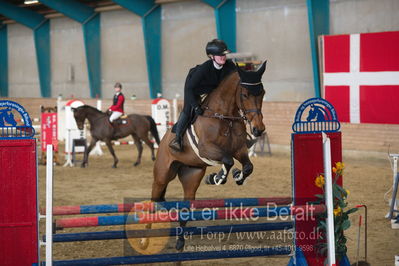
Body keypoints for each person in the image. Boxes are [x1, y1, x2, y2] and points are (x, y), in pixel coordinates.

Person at [169, 39, 237, 152]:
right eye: (220, 55)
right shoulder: (203, 69)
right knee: (188, 109)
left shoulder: (229, 65)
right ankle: (177, 139)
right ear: (211, 56)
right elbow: (190, 89)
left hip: (213, 89)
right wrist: (196, 106)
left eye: (224, 54)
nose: (223, 57)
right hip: (195, 89)